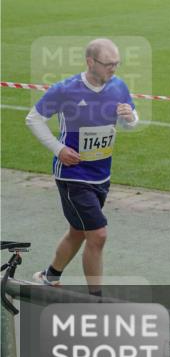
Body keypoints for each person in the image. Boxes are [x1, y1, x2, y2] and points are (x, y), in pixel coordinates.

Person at [25, 38, 139, 296]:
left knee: (78, 231)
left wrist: (130, 117)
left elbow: (130, 120)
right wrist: (59, 149)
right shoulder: (66, 89)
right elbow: (33, 119)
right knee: (97, 235)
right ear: (90, 62)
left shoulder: (118, 86)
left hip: (102, 175)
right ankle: (96, 300)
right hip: (73, 175)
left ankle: (49, 276)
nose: (114, 69)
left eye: (117, 63)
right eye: (109, 64)